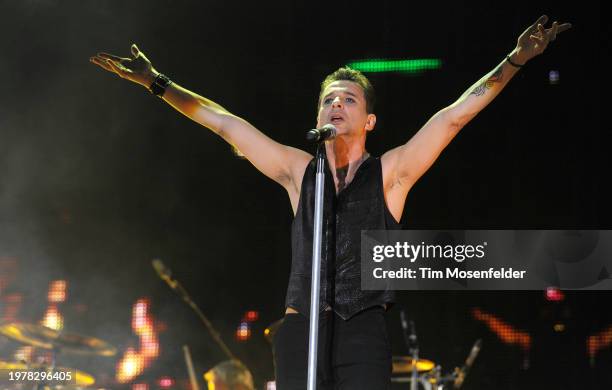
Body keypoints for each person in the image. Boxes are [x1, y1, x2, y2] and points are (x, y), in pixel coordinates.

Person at [90, 15, 570, 389]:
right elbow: (224, 122)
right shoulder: (300, 171)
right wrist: (157, 83)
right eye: (328, 100)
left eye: (348, 100)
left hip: (363, 331)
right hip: (301, 332)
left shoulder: (392, 174)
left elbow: (453, 118)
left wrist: (514, 59)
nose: (336, 105)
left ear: (369, 121)